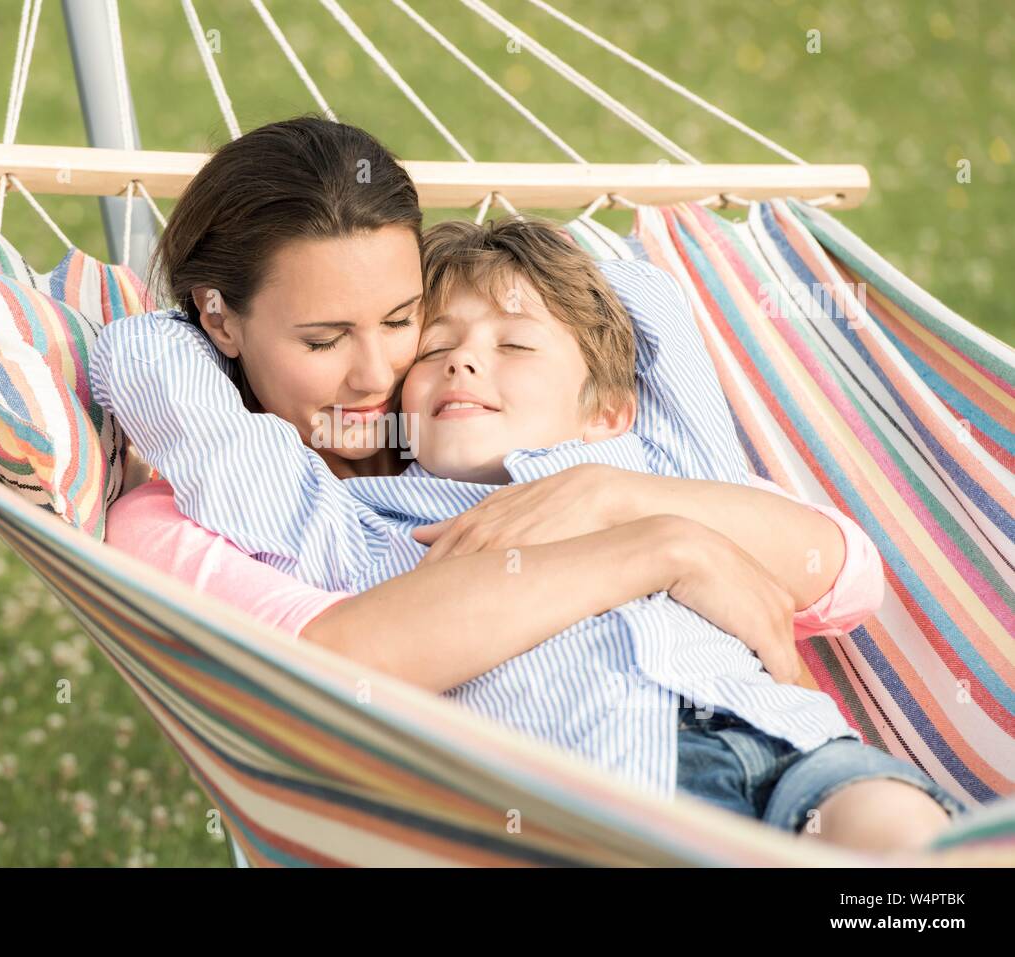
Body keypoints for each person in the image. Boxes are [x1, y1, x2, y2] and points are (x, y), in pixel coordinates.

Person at [94, 116, 918, 849]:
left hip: (795, 748)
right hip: (610, 795)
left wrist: (614, 495)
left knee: (920, 852)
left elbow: (846, 575)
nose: (379, 372)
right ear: (221, 319)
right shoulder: (296, 517)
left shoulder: (622, 452)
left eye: (400, 318)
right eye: (323, 339)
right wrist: (662, 548)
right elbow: (333, 662)